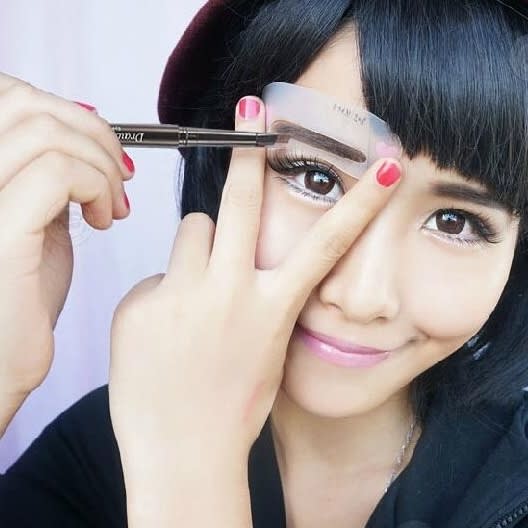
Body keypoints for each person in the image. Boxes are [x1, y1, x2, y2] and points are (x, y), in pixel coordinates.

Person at [1, 0, 528, 526]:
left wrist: (191, 468)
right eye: (317, 178)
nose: (361, 297)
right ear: (220, 167)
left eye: (455, 222)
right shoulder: (95, 453)